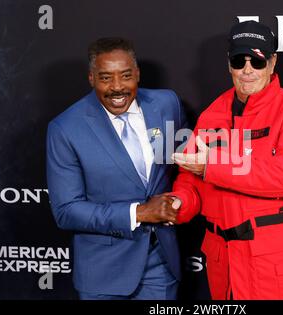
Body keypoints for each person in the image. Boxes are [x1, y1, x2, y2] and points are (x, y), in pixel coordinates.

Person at [171, 20, 283, 300]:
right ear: (229, 65)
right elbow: (191, 176)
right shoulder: (212, 113)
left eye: (257, 62)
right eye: (239, 61)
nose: (247, 70)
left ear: (272, 64)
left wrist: (214, 166)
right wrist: (179, 203)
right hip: (227, 266)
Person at [46, 37, 187, 299]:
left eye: (125, 76)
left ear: (137, 74)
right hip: (103, 273)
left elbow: (185, 164)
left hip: (161, 265)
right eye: (105, 78)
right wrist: (139, 213)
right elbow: (66, 211)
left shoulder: (167, 105)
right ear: (91, 78)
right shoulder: (65, 129)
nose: (117, 87)